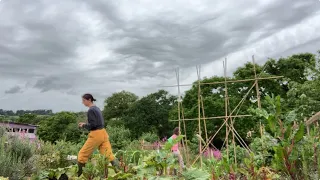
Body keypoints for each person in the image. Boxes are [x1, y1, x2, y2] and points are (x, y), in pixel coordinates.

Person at [77, 93, 119, 177]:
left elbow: (93, 125)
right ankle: (120, 172)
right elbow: (97, 123)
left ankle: (80, 176)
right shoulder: (96, 108)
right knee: (109, 155)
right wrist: (85, 123)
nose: (83, 102)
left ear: (89, 100)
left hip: (96, 134)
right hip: (103, 132)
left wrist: (84, 125)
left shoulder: (90, 110)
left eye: (84, 100)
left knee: (82, 155)